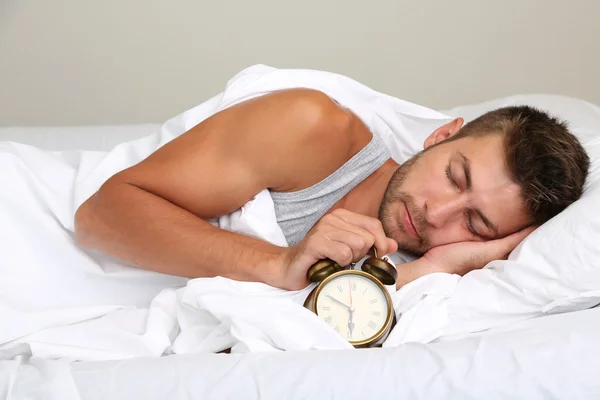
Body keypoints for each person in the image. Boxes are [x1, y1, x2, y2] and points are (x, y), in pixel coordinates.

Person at [73, 88, 590, 291]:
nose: (437, 214)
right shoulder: (309, 127)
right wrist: (279, 264)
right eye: (455, 176)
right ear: (441, 136)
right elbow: (101, 215)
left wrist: (432, 270)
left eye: (475, 222)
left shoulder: (441, 279)